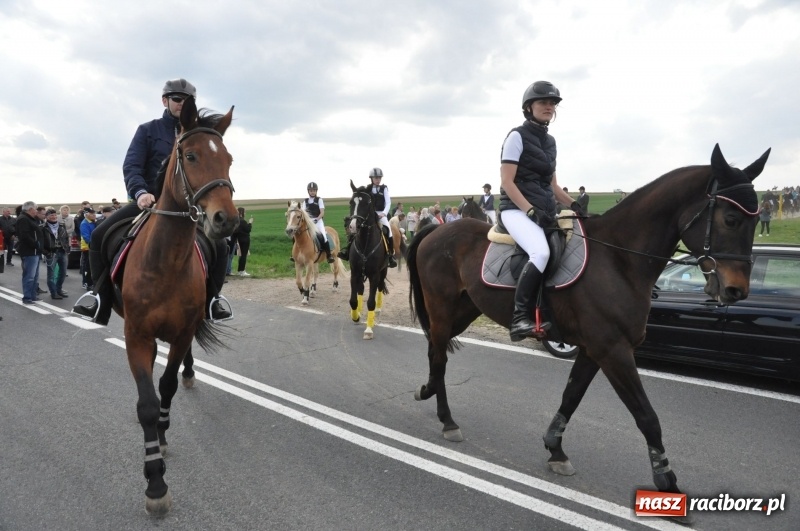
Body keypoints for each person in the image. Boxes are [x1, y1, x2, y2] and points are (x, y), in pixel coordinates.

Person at [73, 78, 232, 322]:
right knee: (99, 235)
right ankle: (100, 298)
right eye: (177, 99)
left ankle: (212, 301)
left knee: (220, 245)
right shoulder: (148, 130)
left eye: (187, 101)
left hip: (187, 207)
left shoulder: (198, 135)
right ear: (165, 101)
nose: (181, 104)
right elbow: (132, 165)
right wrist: (140, 193)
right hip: (148, 202)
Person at [499, 81, 585, 342]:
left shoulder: (550, 142)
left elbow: (552, 185)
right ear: (529, 107)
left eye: (553, 103)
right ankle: (519, 318)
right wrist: (529, 210)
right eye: (543, 102)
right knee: (541, 251)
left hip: (544, 211)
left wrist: (574, 204)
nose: (549, 107)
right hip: (515, 210)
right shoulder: (516, 136)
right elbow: (507, 182)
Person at [338, 168, 397, 268]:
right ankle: (347, 251)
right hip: (370, 215)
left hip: (381, 214)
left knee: (388, 231)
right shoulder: (368, 189)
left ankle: (390, 255)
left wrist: (384, 213)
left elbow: (388, 202)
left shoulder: (384, 188)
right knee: (355, 230)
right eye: (376, 178)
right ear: (371, 178)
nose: (378, 179)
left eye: (379, 178)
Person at [15, 201, 42, 304]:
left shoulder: (30, 219)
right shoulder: (23, 219)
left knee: (34, 275)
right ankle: (27, 297)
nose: (36, 211)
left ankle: (33, 296)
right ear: (30, 209)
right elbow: (24, 235)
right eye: (35, 209)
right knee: (29, 276)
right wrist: (36, 244)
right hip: (29, 251)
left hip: (34, 251)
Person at [303, 182, 335, 263]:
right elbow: (303, 213)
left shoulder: (319, 200)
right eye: (310, 190)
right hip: (309, 222)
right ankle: (294, 255)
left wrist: (317, 219)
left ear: (316, 191)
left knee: (323, 237)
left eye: (314, 190)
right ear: (308, 191)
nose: (312, 192)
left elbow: (322, 212)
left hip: (318, 222)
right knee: (298, 235)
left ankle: (329, 255)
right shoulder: (305, 201)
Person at [42, 207, 69, 299]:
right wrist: (45, 252)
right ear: (46, 217)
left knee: (63, 272)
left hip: (62, 251)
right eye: (51, 215)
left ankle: (59, 290)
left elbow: (65, 238)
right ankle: (53, 292)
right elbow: (40, 242)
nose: (54, 217)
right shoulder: (43, 227)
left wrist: (67, 249)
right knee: (51, 274)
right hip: (51, 253)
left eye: (55, 215)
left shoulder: (61, 225)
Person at [79, 207, 97, 290]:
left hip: (92, 248)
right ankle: (86, 283)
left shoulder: (94, 222)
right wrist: (94, 245)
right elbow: (86, 237)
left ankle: (91, 282)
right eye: (91, 213)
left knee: (92, 267)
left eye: (94, 213)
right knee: (87, 267)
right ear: (86, 214)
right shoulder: (84, 223)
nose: (94, 215)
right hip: (87, 248)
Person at [232, 207, 253, 276]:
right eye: (245, 212)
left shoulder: (237, 221)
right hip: (245, 239)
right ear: (241, 213)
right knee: (244, 255)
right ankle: (242, 271)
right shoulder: (243, 221)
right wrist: (250, 223)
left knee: (241, 255)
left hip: (240, 239)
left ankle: (239, 270)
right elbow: (248, 230)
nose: (245, 213)